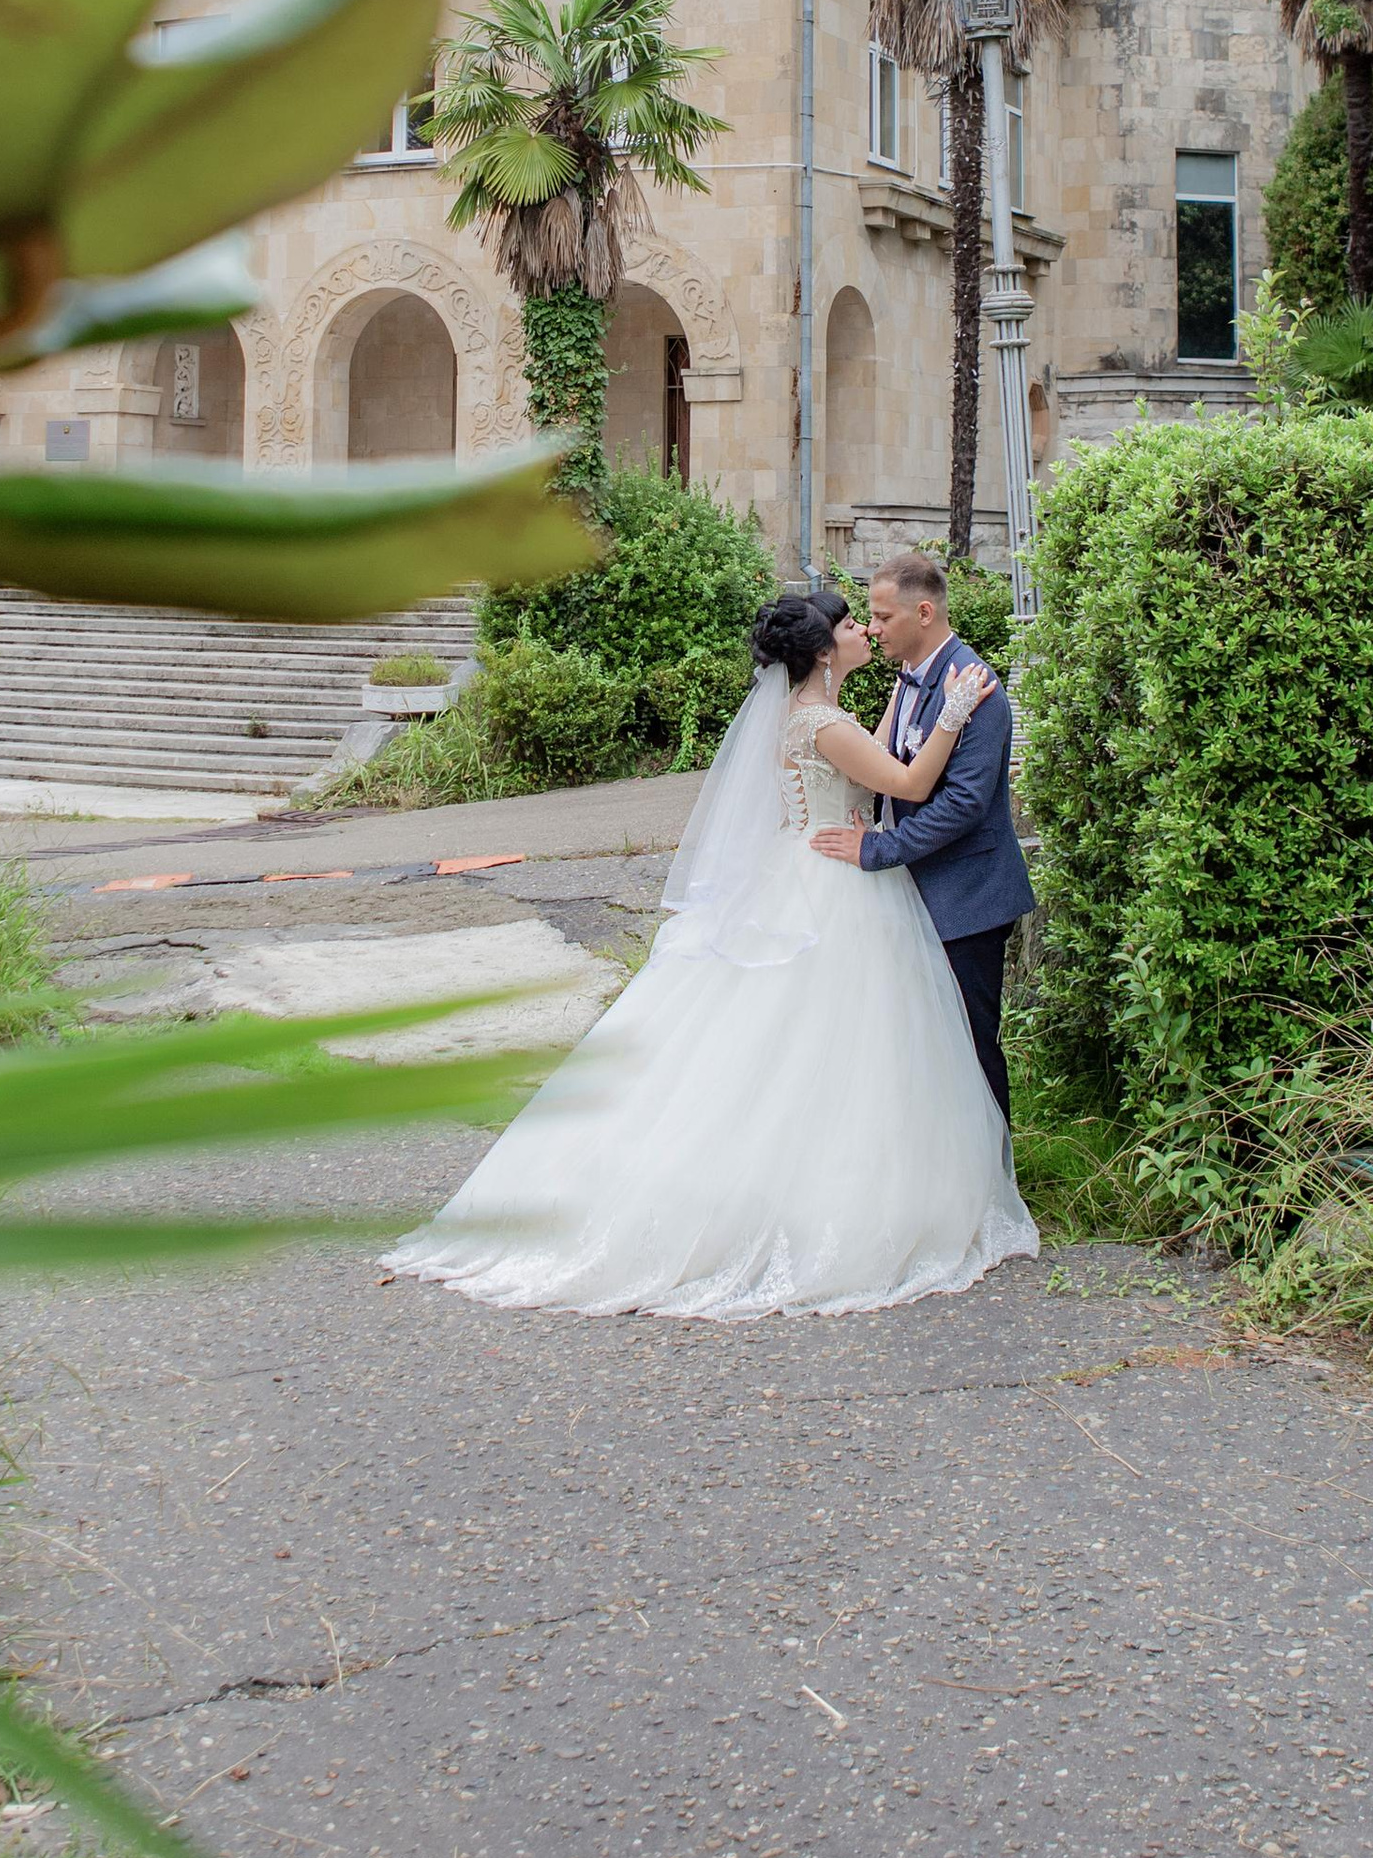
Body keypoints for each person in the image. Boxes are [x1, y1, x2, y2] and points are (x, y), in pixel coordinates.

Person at [383, 592, 1037, 1319]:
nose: (864, 630)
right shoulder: (823, 723)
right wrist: (951, 716)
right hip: (835, 883)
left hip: (801, 875)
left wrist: (906, 705)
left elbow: (872, 754)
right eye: (852, 624)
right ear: (823, 649)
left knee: (794, 1044)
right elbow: (906, 781)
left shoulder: (811, 715)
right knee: (835, 1039)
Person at [808, 552, 1031, 1134]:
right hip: (913, 893)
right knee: (924, 1047)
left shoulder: (975, 686)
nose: (873, 627)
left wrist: (876, 850)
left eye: (883, 616)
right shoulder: (907, 679)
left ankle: (994, 1171)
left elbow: (964, 804)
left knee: (970, 1047)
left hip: (967, 896)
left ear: (924, 613)